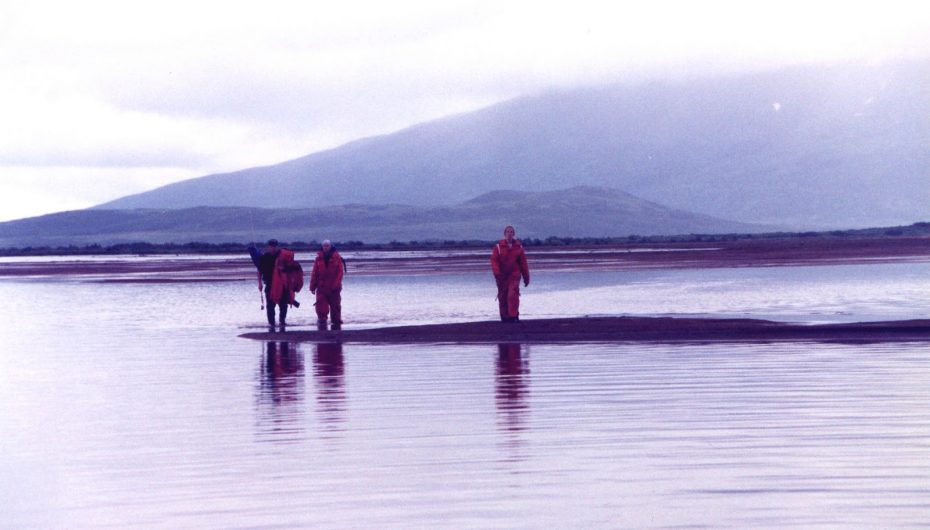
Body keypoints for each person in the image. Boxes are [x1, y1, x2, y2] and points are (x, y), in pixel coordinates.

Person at [490, 225, 530, 322]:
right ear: (504, 234)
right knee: (502, 296)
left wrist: (526, 277)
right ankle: (504, 317)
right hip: (502, 276)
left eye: (511, 232)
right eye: (508, 232)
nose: (509, 234)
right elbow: (494, 261)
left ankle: (513, 316)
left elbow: (523, 263)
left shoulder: (518, 247)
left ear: (514, 234)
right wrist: (497, 273)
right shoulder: (498, 247)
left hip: (514, 275)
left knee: (512, 294)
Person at [248, 239, 289, 329]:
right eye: (271, 246)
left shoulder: (282, 257)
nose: (273, 248)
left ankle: (282, 322)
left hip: (281, 285)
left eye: (275, 246)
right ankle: (271, 324)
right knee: (270, 306)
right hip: (270, 284)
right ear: (269, 247)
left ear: (277, 246)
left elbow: (289, 271)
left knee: (283, 305)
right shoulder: (264, 258)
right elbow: (259, 271)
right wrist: (260, 284)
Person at [309, 239, 345, 330]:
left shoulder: (337, 258)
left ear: (330, 246)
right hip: (322, 287)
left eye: (327, 246)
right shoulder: (318, 259)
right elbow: (314, 273)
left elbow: (340, 273)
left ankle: (336, 325)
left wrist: (336, 285)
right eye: (324, 246)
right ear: (322, 247)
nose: (325, 247)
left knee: (335, 307)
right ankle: (322, 322)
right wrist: (312, 286)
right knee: (321, 306)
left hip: (334, 287)